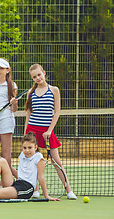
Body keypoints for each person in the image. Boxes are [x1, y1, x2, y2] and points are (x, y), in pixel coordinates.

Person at [24, 63, 76, 200]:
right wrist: (26, 134)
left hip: (47, 131)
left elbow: (57, 112)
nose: (37, 78)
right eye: (34, 77)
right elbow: (28, 114)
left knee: (56, 161)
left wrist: (49, 130)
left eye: (39, 75)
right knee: (32, 161)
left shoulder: (54, 90)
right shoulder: (30, 92)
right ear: (32, 78)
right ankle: (35, 190)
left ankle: (69, 190)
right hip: (32, 130)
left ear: (44, 73)